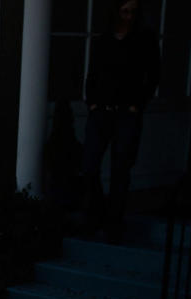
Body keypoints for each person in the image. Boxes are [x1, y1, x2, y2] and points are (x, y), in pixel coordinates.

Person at [81, 0, 160, 243]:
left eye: (133, 12)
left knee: (121, 168)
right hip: (102, 110)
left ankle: (114, 223)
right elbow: (92, 72)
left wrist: (138, 104)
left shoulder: (144, 39)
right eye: (125, 11)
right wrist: (92, 102)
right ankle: (98, 215)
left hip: (127, 112)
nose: (128, 17)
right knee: (90, 165)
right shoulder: (105, 39)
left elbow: (153, 74)